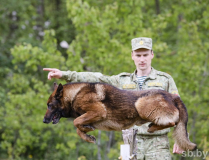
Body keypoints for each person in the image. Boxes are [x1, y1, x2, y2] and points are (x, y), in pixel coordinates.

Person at [43, 37, 184, 159]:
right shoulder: (121, 80)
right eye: (138, 55)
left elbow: (178, 109)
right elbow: (96, 77)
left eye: (145, 54)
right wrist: (64, 74)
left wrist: (181, 138)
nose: (142, 59)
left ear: (152, 55)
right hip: (131, 143)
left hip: (157, 144)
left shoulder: (165, 79)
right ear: (132, 56)